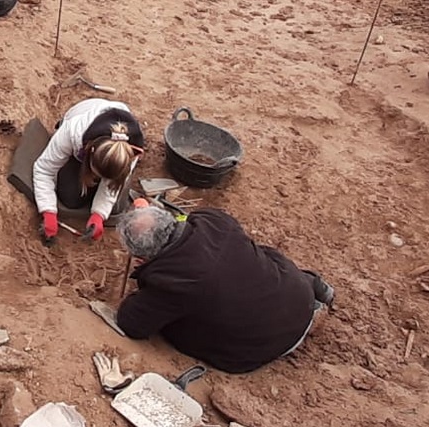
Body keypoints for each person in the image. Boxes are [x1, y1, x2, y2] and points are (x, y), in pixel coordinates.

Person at [114, 205, 334, 373]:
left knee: (176, 328)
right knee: (253, 257)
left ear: (142, 258)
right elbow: (187, 218)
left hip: (267, 343)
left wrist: (145, 277)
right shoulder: (214, 220)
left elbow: (132, 323)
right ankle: (313, 284)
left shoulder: (171, 282)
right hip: (298, 293)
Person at [32, 98, 145, 243]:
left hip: (106, 148)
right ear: (90, 153)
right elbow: (44, 170)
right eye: (97, 175)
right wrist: (48, 212)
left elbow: (110, 187)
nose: (100, 180)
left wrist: (99, 215)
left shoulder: (129, 151)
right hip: (80, 124)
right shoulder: (72, 132)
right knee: (71, 198)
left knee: (116, 207)